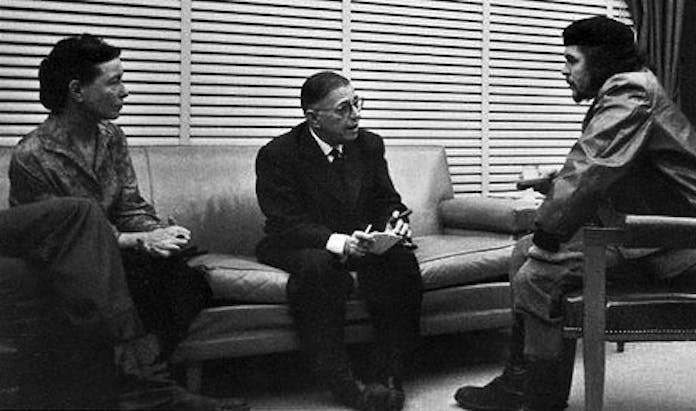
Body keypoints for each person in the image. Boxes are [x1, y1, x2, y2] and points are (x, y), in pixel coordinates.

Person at [454, 16, 696, 411]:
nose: (564, 71)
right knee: (522, 252)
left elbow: (593, 165)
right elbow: (614, 163)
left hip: (679, 237)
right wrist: (552, 183)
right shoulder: (630, 86)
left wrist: (550, 229)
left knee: (539, 272)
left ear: (599, 60)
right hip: (650, 226)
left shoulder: (630, 90)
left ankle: (540, 397)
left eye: (571, 60)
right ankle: (520, 380)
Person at [6, 34, 243, 410]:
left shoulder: (112, 137)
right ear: (76, 90)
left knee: (182, 278)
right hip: (66, 268)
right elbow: (57, 239)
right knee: (134, 283)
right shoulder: (32, 155)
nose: (126, 92)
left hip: (121, 259)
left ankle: (135, 386)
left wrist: (156, 231)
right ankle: (145, 390)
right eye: (114, 81)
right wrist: (135, 242)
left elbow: (129, 205)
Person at [255, 71, 423, 411]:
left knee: (400, 260)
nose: (356, 115)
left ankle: (388, 373)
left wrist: (393, 224)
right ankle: (343, 383)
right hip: (303, 244)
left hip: (361, 240)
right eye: (344, 109)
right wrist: (338, 241)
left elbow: (387, 199)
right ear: (313, 117)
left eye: (357, 104)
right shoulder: (279, 154)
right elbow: (285, 222)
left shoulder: (369, 144)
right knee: (320, 269)